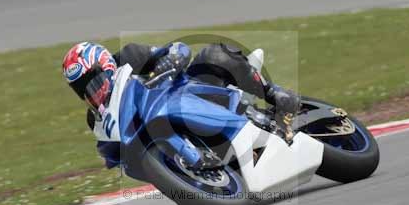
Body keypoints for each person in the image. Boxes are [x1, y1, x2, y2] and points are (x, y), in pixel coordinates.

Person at [62, 41, 300, 169]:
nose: (93, 92)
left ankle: (275, 95)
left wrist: (170, 61)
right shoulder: (98, 119)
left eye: (95, 83)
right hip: (163, 131)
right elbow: (112, 154)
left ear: (106, 66)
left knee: (214, 55)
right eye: (84, 91)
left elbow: (178, 49)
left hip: (187, 94)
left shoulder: (130, 56)